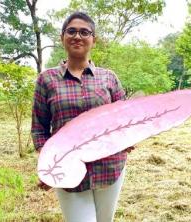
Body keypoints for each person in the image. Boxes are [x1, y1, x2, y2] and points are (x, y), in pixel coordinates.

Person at [31, 11, 133, 222]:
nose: (78, 36)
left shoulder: (109, 77)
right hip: (68, 172)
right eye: (72, 31)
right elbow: (39, 129)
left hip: (109, 167)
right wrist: (49, 165)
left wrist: (130, 139)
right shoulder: (47, 80)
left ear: (93, 40)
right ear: (62, 37)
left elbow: (125, 119)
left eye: (85, 32)